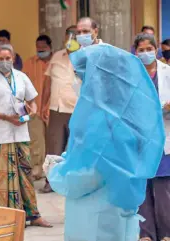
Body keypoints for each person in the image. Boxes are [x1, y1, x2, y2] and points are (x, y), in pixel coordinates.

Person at [44, 42, 165, 241]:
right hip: (120, 212)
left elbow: (85, 176)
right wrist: (67, 159)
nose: (79, 82)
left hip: (95, 220)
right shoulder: (129, 113)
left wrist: (55, 172)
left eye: (83, 76)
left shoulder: (99, 120)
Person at [0, 43, 52, 228]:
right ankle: (7, 217)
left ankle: (33, 215)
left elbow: (33, 101)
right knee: (2, 178)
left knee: (25, 175)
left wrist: (31, 113)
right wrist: (5, 117)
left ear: (13, 58)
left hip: (20, 133)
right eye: (0, 59)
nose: (4, 62)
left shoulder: (21, 77)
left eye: (7, 58)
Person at [134, 33, 170, 241]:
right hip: (139, 138)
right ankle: (146, 234)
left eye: (149, 49)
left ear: (156, 50)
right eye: (141, 49)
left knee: (163, 188)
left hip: (163, 137)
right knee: (143, 188)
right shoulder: (132, 75)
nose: (146, 53)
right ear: (136, 52)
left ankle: (166, 233)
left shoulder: (167, 73)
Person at [40, 26, 79, 193]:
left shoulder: (87, 58)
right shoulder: (57, 56)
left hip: (78, 111)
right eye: (68, 38)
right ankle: (51, 183)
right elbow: (48, 82)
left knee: (75, 148)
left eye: (74, 38)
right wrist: (43, 104)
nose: (70, 41)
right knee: (54, 147)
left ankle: (73, 183)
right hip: (57, 109)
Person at [23, 35, 53, 180]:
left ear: (50, 47)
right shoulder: (30, 63)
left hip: (53, 108)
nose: (40, 51)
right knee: (36, 140)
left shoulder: (55, 62)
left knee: (53, 141)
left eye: (43, 48)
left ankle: (51, 169)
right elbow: (23, 84)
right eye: (38, 48)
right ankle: (37, 169)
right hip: (34, 107)